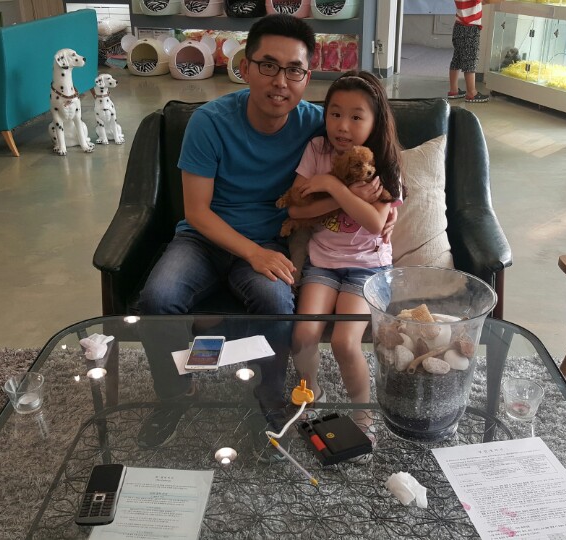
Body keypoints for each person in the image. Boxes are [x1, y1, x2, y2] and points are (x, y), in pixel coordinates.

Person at [136, 14, 386, 449]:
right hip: (203, 239)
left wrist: (384, 204)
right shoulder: (209, 122)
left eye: (294, 70)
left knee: (274, 302)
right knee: (157, 299)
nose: (280, 82)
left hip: (270, 241)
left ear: (308, 75)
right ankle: (175, 394)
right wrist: (253, 253)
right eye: (268, 65)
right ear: (245, 66)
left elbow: (374, 143)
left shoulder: (318, 124)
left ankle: (270, 400)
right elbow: (197, 212)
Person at [287, 71, 405, 448]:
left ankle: (363, 415)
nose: (342, 126)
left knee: (344, 342)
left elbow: (374, 222)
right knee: (304, 333)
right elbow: (296, 208)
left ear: (375, 121)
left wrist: (332, 186)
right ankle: (311, 395)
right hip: (322, 263)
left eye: (356, 117)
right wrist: (339, 192)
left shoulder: (383, 163)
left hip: (368, 269)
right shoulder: (317, 150)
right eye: (335, 114)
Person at [449, 0, 503, 103]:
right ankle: (471, 93)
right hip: (470, 29)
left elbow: (480, 2)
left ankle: (453, 90)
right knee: (470, 60)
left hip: (458, 26)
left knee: (457, 58)